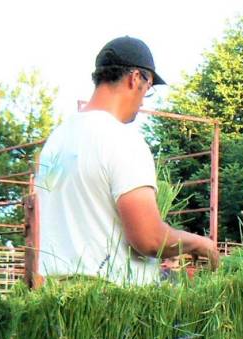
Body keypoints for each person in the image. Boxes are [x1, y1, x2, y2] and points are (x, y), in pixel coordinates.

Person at [35, 36, 218, 285]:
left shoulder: (56, 141)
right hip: (111, 304)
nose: (143, 100)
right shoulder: (121, 140)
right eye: (148, 87)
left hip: (55, 294)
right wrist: (200, 243)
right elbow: (149, 239)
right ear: (135, 78)